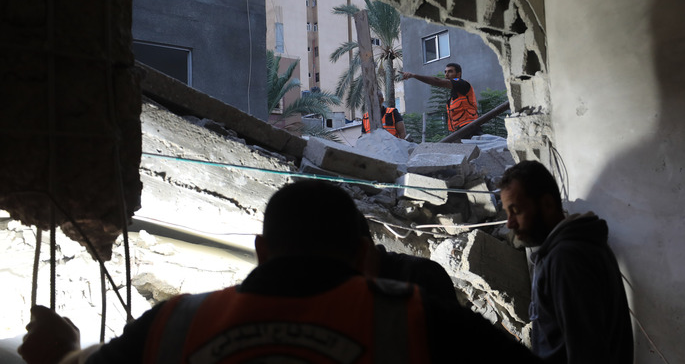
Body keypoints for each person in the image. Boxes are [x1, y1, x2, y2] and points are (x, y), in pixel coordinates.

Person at [19, 180, 543, 364]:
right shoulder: (421, 321)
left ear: (261, 251)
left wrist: (66, 350)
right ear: (364, 256)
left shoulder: (174, 324)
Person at [498, 160, 634, 364]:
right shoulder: (579, 246)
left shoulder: (566, 259)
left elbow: (587, 353)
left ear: (547, 204)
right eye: (507, 213)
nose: (509, 223)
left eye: (516, 211)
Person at [402, 62, 478, 132]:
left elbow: (437, 81)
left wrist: (414, 75)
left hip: (470, 129)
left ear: (458, 74)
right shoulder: (453, 97)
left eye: (450, 71)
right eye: (445, 72)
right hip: (459, 132)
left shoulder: (462, 83)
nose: (446, 75)